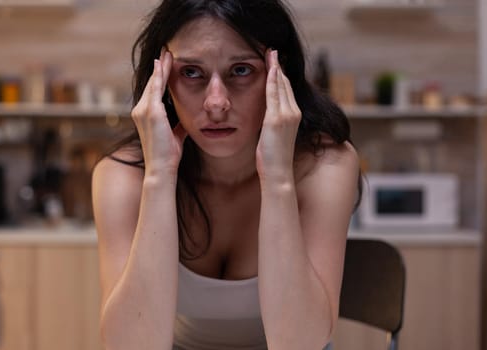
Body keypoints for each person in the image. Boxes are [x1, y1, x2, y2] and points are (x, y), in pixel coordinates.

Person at [92, 0, 362, 349]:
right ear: (161, 84)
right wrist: (159, 176)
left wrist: (278, 179)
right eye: (191, 72)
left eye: (240, 71)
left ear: (279, 76)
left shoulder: (325, 166)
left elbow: (302, 344)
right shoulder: (122, 177)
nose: (216, 103)